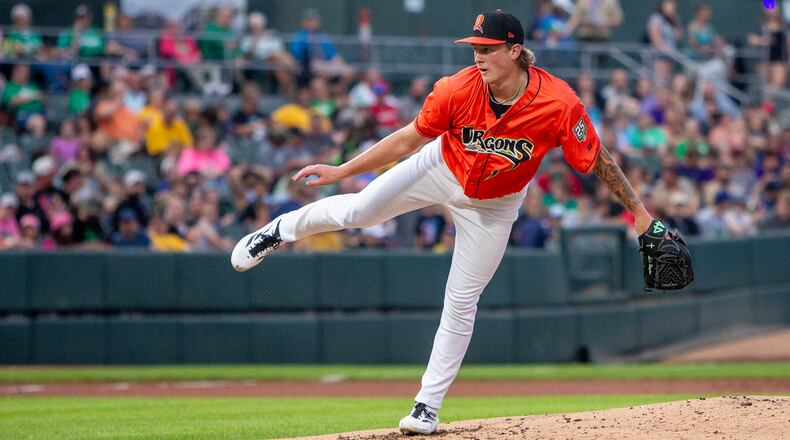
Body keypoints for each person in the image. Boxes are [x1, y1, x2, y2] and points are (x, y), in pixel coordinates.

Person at [231, 10, 657, 435]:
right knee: (358, 211)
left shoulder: (559, 102)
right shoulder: (456, 88)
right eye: (474, 48)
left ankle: (426, 407)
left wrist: (639, 213)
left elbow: (597, 160)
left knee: (461, 300)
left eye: (487, 49)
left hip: (494, 206)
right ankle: (278, 230)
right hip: (442, 168)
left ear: (515, 51)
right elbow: (406, 139)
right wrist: (342, 170)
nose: (478, 56)